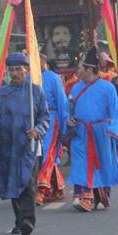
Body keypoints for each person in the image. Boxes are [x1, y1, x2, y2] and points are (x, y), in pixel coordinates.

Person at [0, 53, 49, 235]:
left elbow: (45, 116)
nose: (14, 73)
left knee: (27, 182)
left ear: (27, 70)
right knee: (13, 181)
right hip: (7, 146)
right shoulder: (0, 94)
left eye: (18, 69)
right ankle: (20, 219)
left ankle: (28, 220)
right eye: (11, 70)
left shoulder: (36, 92)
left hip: (29, 146)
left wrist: (38, 129)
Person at [66, 48, 118, 212]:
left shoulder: (108, 88)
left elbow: (115, 110)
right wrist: (68, 120)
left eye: (80, 68)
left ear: (89, 69)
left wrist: (113, 129)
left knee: (103, 163)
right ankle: (82, 197)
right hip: (81, 131)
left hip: (102, 132)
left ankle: (101, 197)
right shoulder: (75, 88)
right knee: (80, 162)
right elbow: (68, 108)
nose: (77, 71)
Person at [36, 54, 69, 204]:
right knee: (36, 155)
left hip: (51, 119)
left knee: (46, 154)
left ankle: (40, 190)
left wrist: (63, 125)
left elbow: (62, 102)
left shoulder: (53, 77)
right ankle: (57, 189)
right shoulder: (28, 78)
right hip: (33, 122)